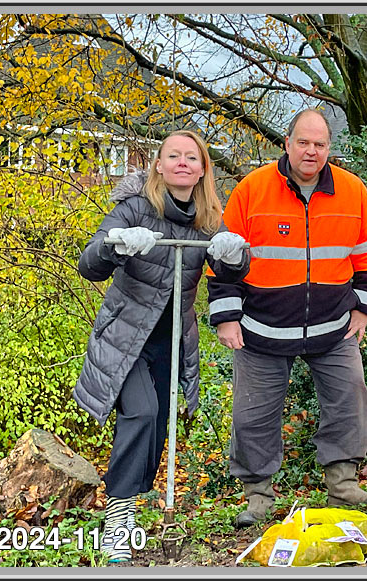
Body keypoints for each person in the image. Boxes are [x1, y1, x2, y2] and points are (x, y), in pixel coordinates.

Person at [73, 130, 250, 562]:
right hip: (125, 336)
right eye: (174, 155)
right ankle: (117, 521)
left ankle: (130, 506)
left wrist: (234, 253)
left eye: (192, 157)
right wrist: (117, 245)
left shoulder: (208, 218)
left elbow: (232, 273)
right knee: (142, 413)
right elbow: (89, 262)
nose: (183, 163)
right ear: (159, 164)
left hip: (172, 339)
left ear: (204, 168)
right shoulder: (134, 207)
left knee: (156, 426)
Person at [215, 109, 367, 528]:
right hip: (261, 329)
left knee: (350, 399)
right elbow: (222, 262)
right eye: (303, 142)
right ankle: (258, 497)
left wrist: (365, 309)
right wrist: (226, 317)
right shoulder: (251, 190)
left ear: (329, 148)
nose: (311, 151)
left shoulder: (353, 191)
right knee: (251, 416)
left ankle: (344, 484)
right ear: (287, 143)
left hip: (333, 329)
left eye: (320, 144)